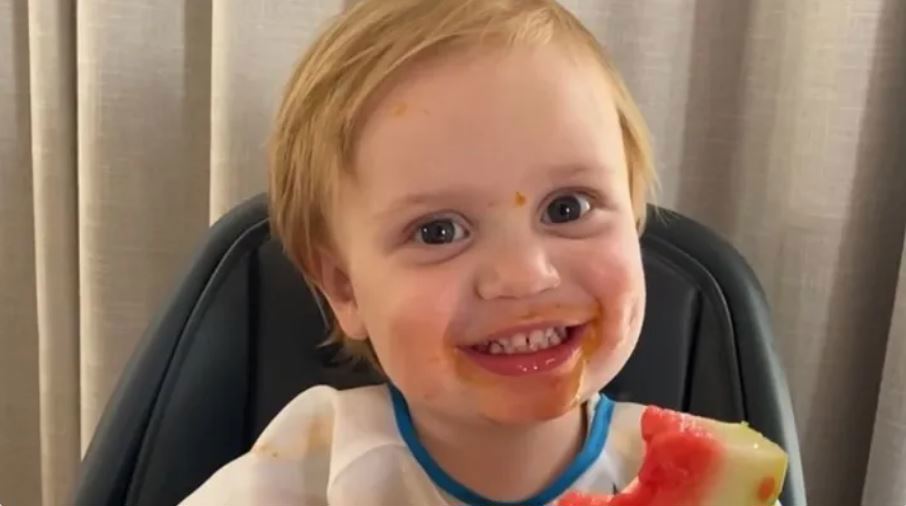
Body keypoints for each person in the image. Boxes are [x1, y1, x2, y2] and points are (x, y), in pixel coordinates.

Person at [183, 0, 670, 504]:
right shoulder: (296, 477)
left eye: (567, 208)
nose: (525, 275)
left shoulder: (694, 470)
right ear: (345, 287)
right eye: (438, 232)